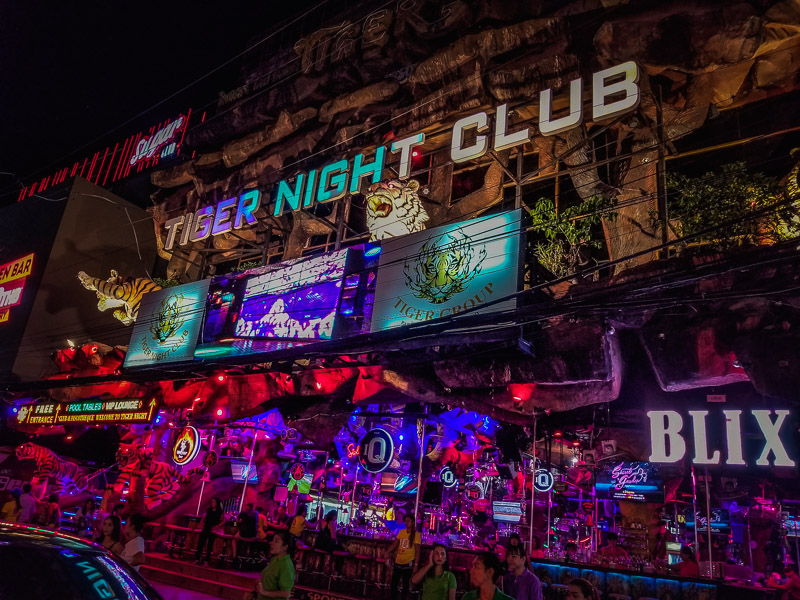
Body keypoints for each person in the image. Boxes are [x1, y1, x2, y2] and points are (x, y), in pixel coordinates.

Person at [388, 513, 422, 600]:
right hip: (398, 560)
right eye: (406, 521)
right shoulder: (402, 532)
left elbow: (418, 551)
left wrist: (415, 565)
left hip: (408, 562)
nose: (406, 523)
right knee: (394, 583)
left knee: (405, 583)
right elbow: (395, 544)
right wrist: (387, 552)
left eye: (408, 521)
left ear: (413, 523)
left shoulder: (416, 535)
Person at [256, 530, 296, 600]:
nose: (272, 543)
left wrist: (264, 592)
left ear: (285, 547)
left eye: (276, 541)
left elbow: (286, 593)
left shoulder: (285, 565)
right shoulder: (274, 560)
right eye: (273, 540)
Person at [195, 497, 224, 565]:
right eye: (212, 502)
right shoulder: (209, 510)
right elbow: (204, 518)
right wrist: (201, 525)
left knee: (209, 546)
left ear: (217, 503)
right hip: (206, 527)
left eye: (214, 502)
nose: (212, 503)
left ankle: (206, 561)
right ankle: (197, 559)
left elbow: (223, 520)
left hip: (213, 529)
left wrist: (218, 526)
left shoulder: (220, 511)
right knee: (200, 544)